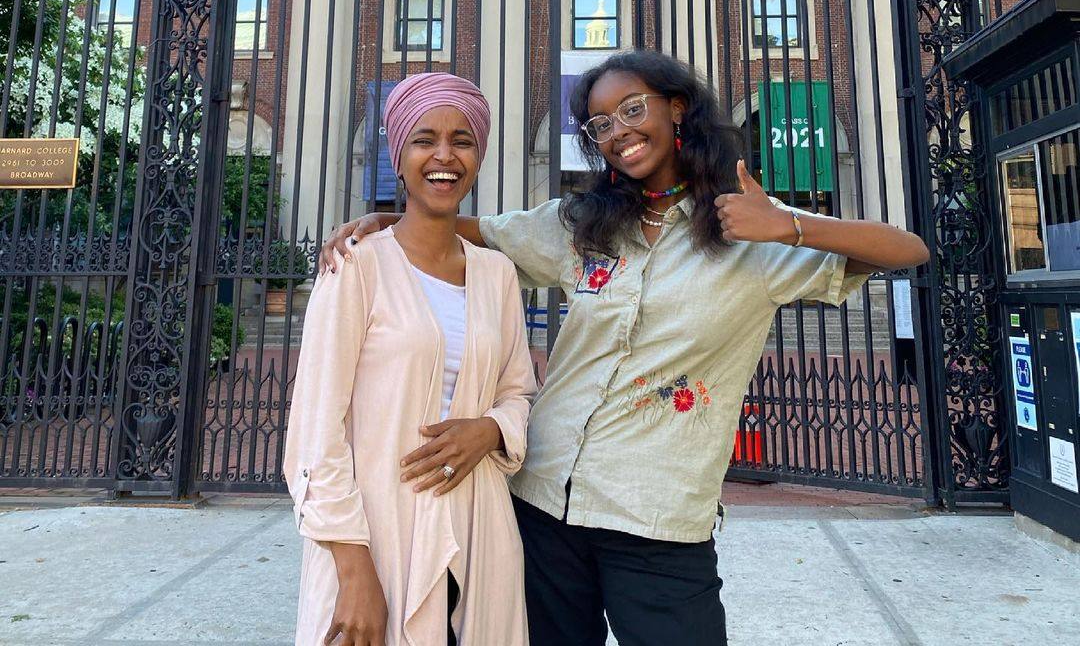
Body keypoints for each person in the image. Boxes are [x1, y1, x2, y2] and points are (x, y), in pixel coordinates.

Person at [319, 50, 930, 646]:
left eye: (634, 109)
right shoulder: (580, 224)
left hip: (656, 516)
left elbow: (908, 249)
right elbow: (469, 228)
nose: (620, 132)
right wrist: (381, 222)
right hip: (541, 506)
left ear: (677, 109)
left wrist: (789, 226)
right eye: (601, 124)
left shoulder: (749, 232)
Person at [284, 72, 536, 646]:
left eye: (463, 140)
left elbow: (519, 391)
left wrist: (491, 429)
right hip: (378, 535)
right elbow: (316, 431)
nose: (444, 155)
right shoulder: (357, 267)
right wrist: (353, 570)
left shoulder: (496, 274)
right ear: (398, 156)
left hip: (478, 534)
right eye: (425, 139)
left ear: (479, 158)